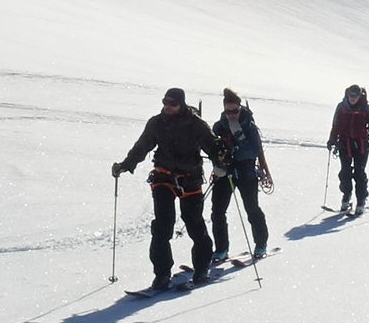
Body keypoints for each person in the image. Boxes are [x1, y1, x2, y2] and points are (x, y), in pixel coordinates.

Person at [114, 88, 218, 293]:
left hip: (191, 180)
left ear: (181, 104)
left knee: (194, 224)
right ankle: (162, 274)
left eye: (172, 103)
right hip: (163, 177)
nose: (167, 107)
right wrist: (125, 165)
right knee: (162, 226)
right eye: (165, 102)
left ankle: (202, 268)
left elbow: (213, 147)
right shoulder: (156, 123)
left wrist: (222, 164)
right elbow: (142, 147)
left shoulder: (196, 124)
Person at [208, 87, 270, 263]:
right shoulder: (219, 126)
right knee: (218, 211)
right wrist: (219, 158)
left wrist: (237, 145)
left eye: (235, 111)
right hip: (224, 172)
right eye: (228, 111)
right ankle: (221, 249)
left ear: (240, 108)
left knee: (252, 209)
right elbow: (212, 148)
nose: (231, 115)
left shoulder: (250, 127)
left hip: (246, 172)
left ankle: (260, 243)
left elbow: (255, 150)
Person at [328, 84, 369, 213]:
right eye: (351, 96)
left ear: (359, 96)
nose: (353, 98)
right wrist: (332, 139)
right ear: (347, 95)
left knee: (359, 172)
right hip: (345, 143)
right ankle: (346, 196)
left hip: (361, 145)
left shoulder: (366, 107)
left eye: (355, 96)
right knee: (345, 172)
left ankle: (361, 200)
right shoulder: (341, 107)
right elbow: (336, 124)